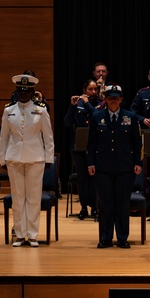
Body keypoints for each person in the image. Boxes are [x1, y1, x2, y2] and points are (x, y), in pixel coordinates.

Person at [0, 72, 55, 248]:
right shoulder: (9, 110)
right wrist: (2, 159)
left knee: (33, 197)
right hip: (14, 158)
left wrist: (48, 159)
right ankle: (19, 234)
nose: (23, 94)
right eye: (20, 91)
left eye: (27, 91)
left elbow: (48, 137)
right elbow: (4, 137)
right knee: (18, 197)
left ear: (32, 92)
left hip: (35, 158)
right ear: (16, 92)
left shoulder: (41, 110)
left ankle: (32, 235)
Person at [88, 84, 143, 249]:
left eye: (116, 98)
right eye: (110, 98)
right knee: (106, 205)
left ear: (121, 99)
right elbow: (91, 144)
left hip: (125, 168)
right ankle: (105, 237)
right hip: (102, 168)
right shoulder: (97, 116)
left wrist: (137, 163)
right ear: (105, 99)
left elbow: (137, 143)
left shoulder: (130, 117)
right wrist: (90, 162)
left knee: (122, 204)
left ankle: (122, 238)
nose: (113, 101)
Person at [65, 79, 103, 220]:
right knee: (82, 178)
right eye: (90, 89)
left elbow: (97, 118)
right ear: (84, 90)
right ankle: (83, 207)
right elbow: (67, 122)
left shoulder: (100, 103)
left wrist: (87, 104)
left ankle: (95, 207)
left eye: (95, 90)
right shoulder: (78, 104)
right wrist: (72, 107)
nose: (93, 92)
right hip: (79, 147)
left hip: (95, 147)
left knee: (94, 178)